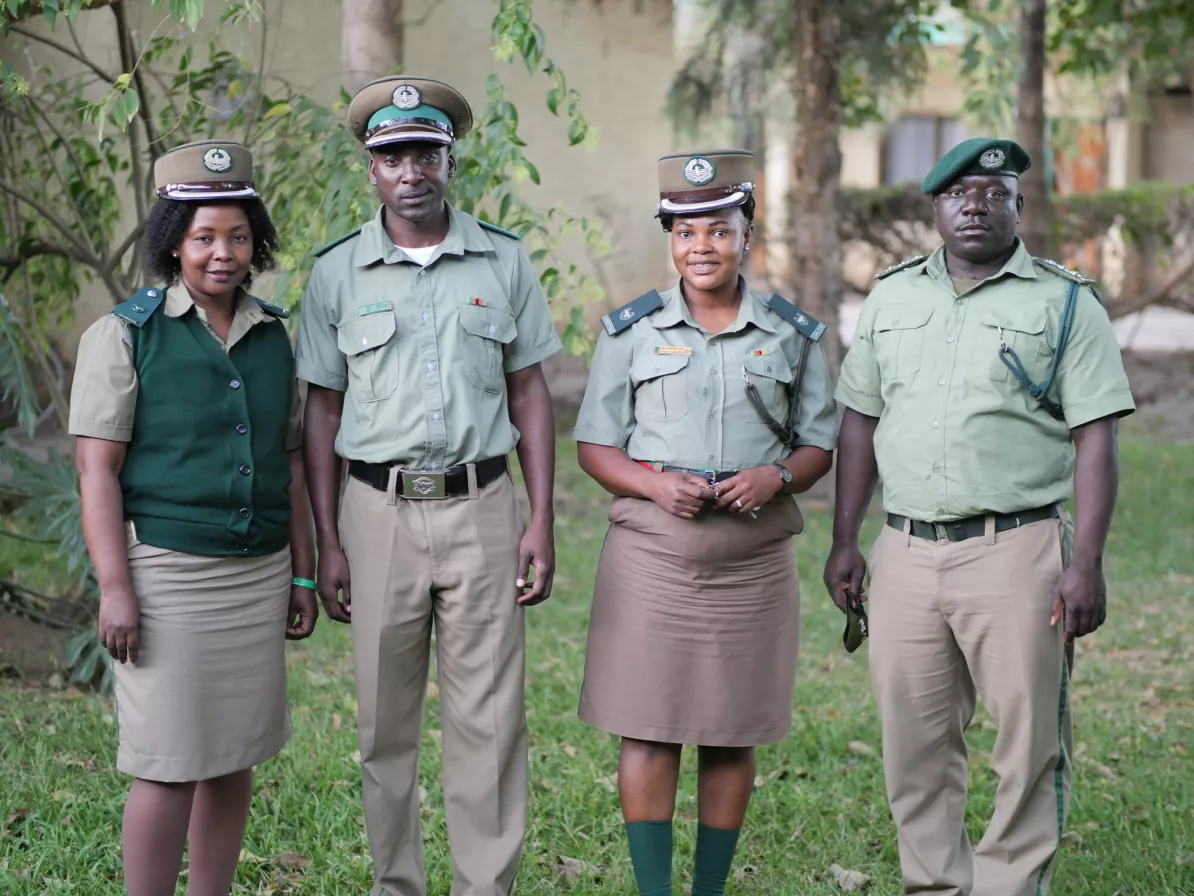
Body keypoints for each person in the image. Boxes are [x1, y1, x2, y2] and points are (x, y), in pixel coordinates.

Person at [824, 137, 1135, 896]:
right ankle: (934, 885)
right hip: (904, 553)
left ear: (1019, 207)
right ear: (935, 206)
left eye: (994, 192)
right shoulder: (892, 298)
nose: (975, 204)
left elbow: (1096, 438)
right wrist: (845, 542)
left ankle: (1007, 886)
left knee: (1028, 749)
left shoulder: (1065, 302)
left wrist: (1085, 561)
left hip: (1018, 551)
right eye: (959, 192)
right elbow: (859, 423)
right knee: (915, 745)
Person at [295, 77, 561, 896]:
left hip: (483, 507)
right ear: (369, 170)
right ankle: (396, 885)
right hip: (375, 515)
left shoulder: (503, 259)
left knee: (489, 719)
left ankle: (486, 886)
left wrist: (541, 520)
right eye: (391, 156)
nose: (410, 170)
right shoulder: (337, 273)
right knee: (384, 722)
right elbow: (320, 411)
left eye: (424, 152)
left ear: (450, 159)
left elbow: (531, 395)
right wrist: (328, 541)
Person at [573, 149, 837, 896]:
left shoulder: (791, 333)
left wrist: (776, 476)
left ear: (745, 234)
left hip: (752, 561)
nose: (701, 247)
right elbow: (595, 445)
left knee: (731, 732)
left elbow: (820, 442)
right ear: (670, 240)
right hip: (654, 558)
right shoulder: (629, 330)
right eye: (685, 233)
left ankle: (708, 890)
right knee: (647, 729)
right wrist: (655, 487)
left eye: (717, 230)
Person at [70, 140, 317, 896]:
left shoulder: (275, 335)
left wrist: (301, 574)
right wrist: (116, 586)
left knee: (233, 753)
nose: (222, 252)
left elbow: (295, 464)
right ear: (172, 239)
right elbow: (96, 470)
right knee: (168, 765)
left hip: (257, 574)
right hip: (168, 576)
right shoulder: (124, 335)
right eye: (204, 236)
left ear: (257, 242)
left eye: (237, 236)